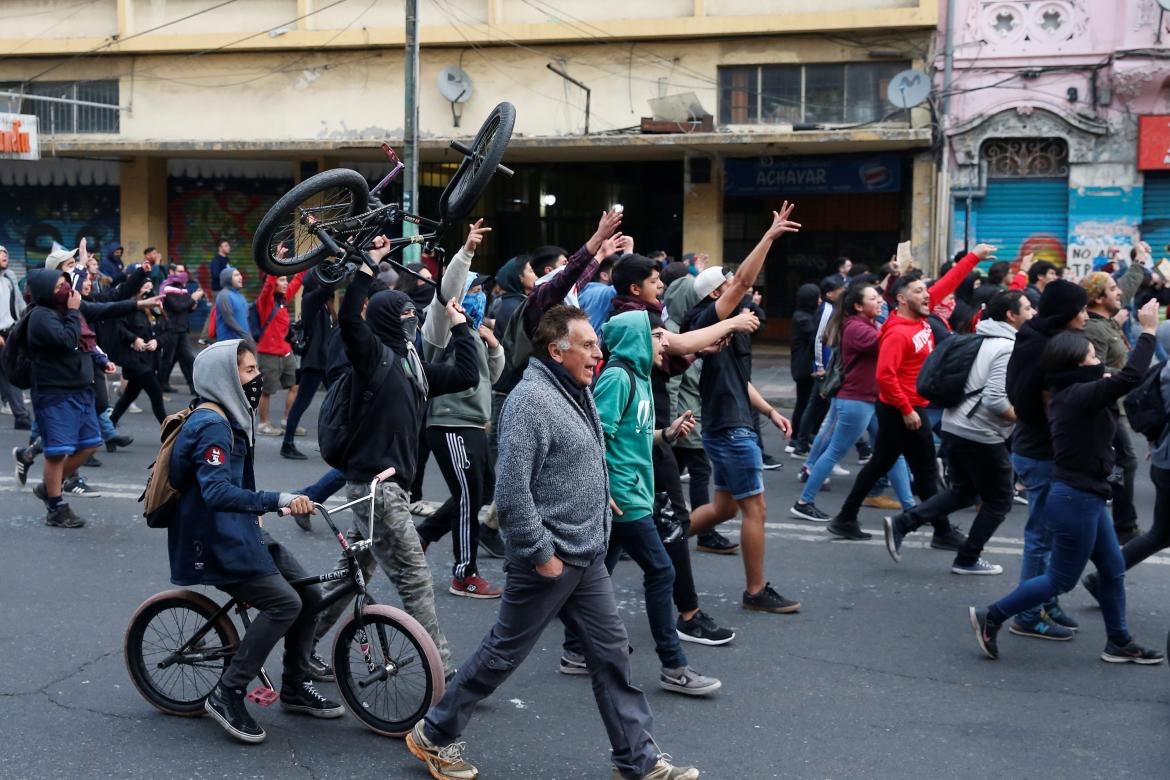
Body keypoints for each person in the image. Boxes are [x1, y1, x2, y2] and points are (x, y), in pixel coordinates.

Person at [407, 305, 700, 780]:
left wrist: (600, 493)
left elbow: (586, 450)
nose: (597, 353)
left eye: (596, 344)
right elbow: (511, 491)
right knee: (502, 655)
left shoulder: (573, 388)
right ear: (555, 350)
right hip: (549, 559)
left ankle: (637, 760)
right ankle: (433, 734)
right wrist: (542, 556)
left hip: (586, 555)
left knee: (610, 656)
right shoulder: (531, 401)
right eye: (587, 345)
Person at [309, 235, 479, 679]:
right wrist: (369, 267)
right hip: (376, 488)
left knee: (352, 578)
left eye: (412, 313)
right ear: (387, 320)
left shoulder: (415, 365)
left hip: (389, 490)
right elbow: (350, 318)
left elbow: (465, 374)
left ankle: (300, 646)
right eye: (402, 314)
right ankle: (442, 671)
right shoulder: (372, 357)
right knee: (415, 578)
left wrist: (461, 326)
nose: (411, 319)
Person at [970, 300, 1165, 666]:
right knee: (1060, 580)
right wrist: (1149, 331)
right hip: (1076, 500)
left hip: (1089, 495)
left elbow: (1115, 386)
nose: (1099, 362)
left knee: (1112, 568)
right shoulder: (1078, 396)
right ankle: (991, 616)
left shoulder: (1074, 391)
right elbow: (1131, 376)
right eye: (1092, 357)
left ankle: (1119, 641)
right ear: (1076, 366)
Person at [170, 339, 343, 743]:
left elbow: (229, 487)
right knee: (285, 604)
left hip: (239, 528)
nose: (257, 378)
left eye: (253, 369)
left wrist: (258, 508)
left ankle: (296, 685)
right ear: (225, 378)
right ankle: (227, 692)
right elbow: (215, 493)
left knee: (310, 596)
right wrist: (275, 499)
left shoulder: (228, 416)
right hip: (213, 538)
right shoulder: (212, 425)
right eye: (247, 371)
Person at [561, 310, 722, 694]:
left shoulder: (640, 378)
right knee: (662, 572)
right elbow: (592, 436)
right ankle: (673, 665)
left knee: (594, 574)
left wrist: (666, 433)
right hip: (624, 497)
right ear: (635, 339)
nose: (663, 342)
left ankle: (574, 649)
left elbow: (630, 436)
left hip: (633, 494)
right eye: (655, 336)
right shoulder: (617, 377)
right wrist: (606, 490)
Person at [825, 245, 991, 542]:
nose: (927, 295)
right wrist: (907, 410)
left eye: (926, 291)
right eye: (918, 291)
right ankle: (941, 531)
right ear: (902, 299)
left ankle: (845, 518)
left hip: (905, 407)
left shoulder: (921, 317)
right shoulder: (897, 332)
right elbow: (884, 376)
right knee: (925, 471)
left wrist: (973, 257)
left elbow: (946, 284)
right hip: (901, 409)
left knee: (884, 464)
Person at [683, 206, 801, 613]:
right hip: (730, 427)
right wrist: (768, 237)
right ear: (717, 294)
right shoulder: (707, 317)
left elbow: (740, 380)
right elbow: (748, 278)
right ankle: (755, 591)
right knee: (756, 508)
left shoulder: (730, 326)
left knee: (724, 507)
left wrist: (770, 411)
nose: (740, 285)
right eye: (729, 283)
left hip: (730, 423)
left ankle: (662, 535)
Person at [881, 290, 1033, 574]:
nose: (1032, 313)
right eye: (1027, 308)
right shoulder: (1006, 347)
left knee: (964, 492)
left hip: (956, 425)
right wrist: (1027, 416)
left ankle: (904, 523)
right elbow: (995, 400)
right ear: (1011, 316)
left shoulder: (983, 338)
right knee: (999, 500)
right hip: (979, 431)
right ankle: (967, 559)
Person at [24, 268, 156, 527]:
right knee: (56, 453)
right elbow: (67, 341)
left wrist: (139, 303)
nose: (67, 289)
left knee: (90, 444)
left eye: (66, 283)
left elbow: (105, 310)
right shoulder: (40, 316)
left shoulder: (69, 309)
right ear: (44, 292)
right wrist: (74, 311)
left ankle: (49, 486)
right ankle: (56, 507)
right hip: (55, 394)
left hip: (80, 391)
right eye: (59, 285)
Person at [416, 220, 505, 598]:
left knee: (482, 492)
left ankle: (426, 533)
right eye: (476, 287)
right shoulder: (441, 327)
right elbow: (446, 292)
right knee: (469, 495)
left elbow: (492, 377)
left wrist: (494, 345)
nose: (481, 293)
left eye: (484, 288)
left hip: (474, 423)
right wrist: (466, 251)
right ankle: (464, 573)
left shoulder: (473, 330)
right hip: (449, 423)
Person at [1005, 278, 1091, 640]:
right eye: (1082, 309)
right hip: (1040, 451)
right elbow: (1037, 399)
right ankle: (1027, 613)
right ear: (1067, 313)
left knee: (1053, 534)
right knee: (1040, 536)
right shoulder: (1042, 349)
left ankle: (1045, 598)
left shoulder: (1039, 339)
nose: (1086, 316)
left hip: (1041, 448)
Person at [791, 283, 915, 522]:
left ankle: (910, 508)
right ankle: (804, 502)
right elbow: (888, 340)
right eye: (873, 299)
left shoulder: (865, 324)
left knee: (893, 451)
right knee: (835, 451)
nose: (879, 301)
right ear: (858, 306)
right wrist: (893, 316)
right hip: (856, 401)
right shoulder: (857, 328)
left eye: (879, 297)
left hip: (871, 399)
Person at [1086, 319, 1170, 594]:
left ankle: (1103, 578)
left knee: (1160, 533)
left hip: (1158, 461)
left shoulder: (1162, 370)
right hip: (1138, 460)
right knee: (1122, 468)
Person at [1081, 251, 1148, 544]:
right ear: (1097, 298)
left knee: (1119, 461)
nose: (1119, 291)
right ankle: (1122, 526)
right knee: (1125, 461)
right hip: (1105, 405)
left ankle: (1117, 524)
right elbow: (1092, 369)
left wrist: (1139, 262)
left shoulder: (1105, 320)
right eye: (1111, 288)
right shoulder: (1094, 328)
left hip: (1114, 403)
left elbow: (1128, 288)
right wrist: (1128, 376)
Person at [280, 270, 336, 460]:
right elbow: (328, 285)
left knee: (338, 400)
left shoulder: (325, 305)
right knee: (302, 402)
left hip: (325, 362)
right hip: (314, 362)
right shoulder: (310, 300)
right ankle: (287, 444)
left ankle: (338, 443)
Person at [109, 280, 168, 424]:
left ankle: (109, 426)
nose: (148, 290)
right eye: (144, 287)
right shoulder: (129, 307)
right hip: (135, 359)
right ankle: (171, 434)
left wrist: (157, 341)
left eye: (150, 287)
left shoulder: (155, 309)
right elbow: (117, 328)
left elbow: (166, 331)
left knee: (128, 397)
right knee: (156, 394)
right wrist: (134, 339)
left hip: (150, 360)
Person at [255, 271, 305, 436]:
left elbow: (297, 280)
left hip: (285, 352)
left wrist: (310, 259)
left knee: (295, 386)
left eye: (285, 280)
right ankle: (263, 424)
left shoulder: (283, 300)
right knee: (266, 391)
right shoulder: (265, 302)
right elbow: (267, 287)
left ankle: (287, 421)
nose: (285, 283)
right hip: (268, 353)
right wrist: (274, 269)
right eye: (282, 280)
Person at [158, 263, 202, 395]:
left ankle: (192, 387)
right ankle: (161, 384)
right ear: (171, 272)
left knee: (185, 359)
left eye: (184, 271)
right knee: (170, 358)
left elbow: (186, 308)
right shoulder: (167, 287)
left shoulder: (182, 288)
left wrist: (194, 303)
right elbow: (177, 307)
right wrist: (192, 299)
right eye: (179, 271)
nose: (183, 274)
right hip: (171, 328)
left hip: (182, 329)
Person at [0, 244, 31, 429]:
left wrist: (26, 323)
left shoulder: (9, 278)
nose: (4, 255)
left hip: (9, 334)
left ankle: (21, 416)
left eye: (5, 252)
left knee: (9, 373)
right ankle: (21, 415)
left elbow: (20, 304)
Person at [788, 283, 820, 449]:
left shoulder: (806, 314)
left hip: (806, 366)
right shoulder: (802, 317)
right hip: (804, 368)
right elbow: (815, 332)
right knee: (803, 403)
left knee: (807, 402)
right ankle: (795, 437)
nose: (820, 301)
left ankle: (804, 435)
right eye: (817, 298)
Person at [579, 253, 619, 334]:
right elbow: (626, 283)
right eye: (617, 270)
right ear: (604, 275)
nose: (620, 273)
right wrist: (628, 251)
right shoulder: (604, 293)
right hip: (594, 343)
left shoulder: (584, 291)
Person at [214, 267, 252, 345]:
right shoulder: (224, 295)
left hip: (242, 342)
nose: (240, 277)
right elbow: (229, 319)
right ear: (227, 278)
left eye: (240, 275)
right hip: (228, 344)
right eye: (236, 275)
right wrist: (245, 335)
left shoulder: (241, 296)